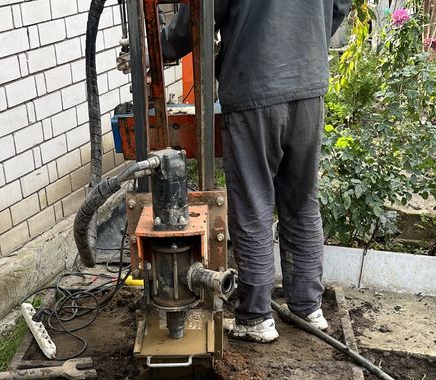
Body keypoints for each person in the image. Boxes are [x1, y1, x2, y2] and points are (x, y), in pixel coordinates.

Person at [142, 0, 352, 343]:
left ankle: (256, 317)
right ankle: (307, 306)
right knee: (301, 202)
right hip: (308, 86)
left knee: (254, 203)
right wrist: (303, 43)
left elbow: (199, 15)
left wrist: (162, 45)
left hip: (255, 85)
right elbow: (339, 6)